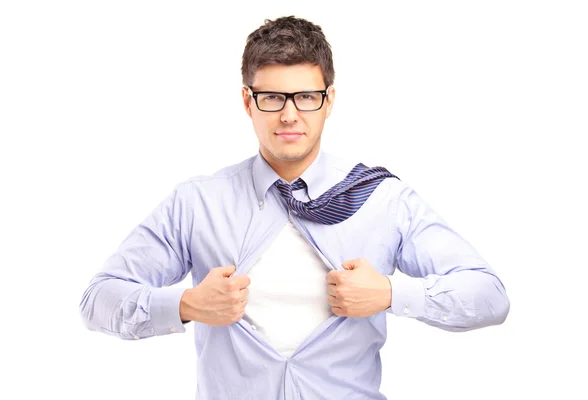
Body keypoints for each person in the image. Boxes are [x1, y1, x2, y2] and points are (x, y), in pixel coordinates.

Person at [79, 15, 510, 399]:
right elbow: (98, 300)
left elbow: (489, 296)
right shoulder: (197, 203)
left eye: (306, 97)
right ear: (248, 101)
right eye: (272, 98)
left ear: (329, 100)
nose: (289, 115)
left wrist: (391, 294)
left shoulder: (381, 198)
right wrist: (187, 305)